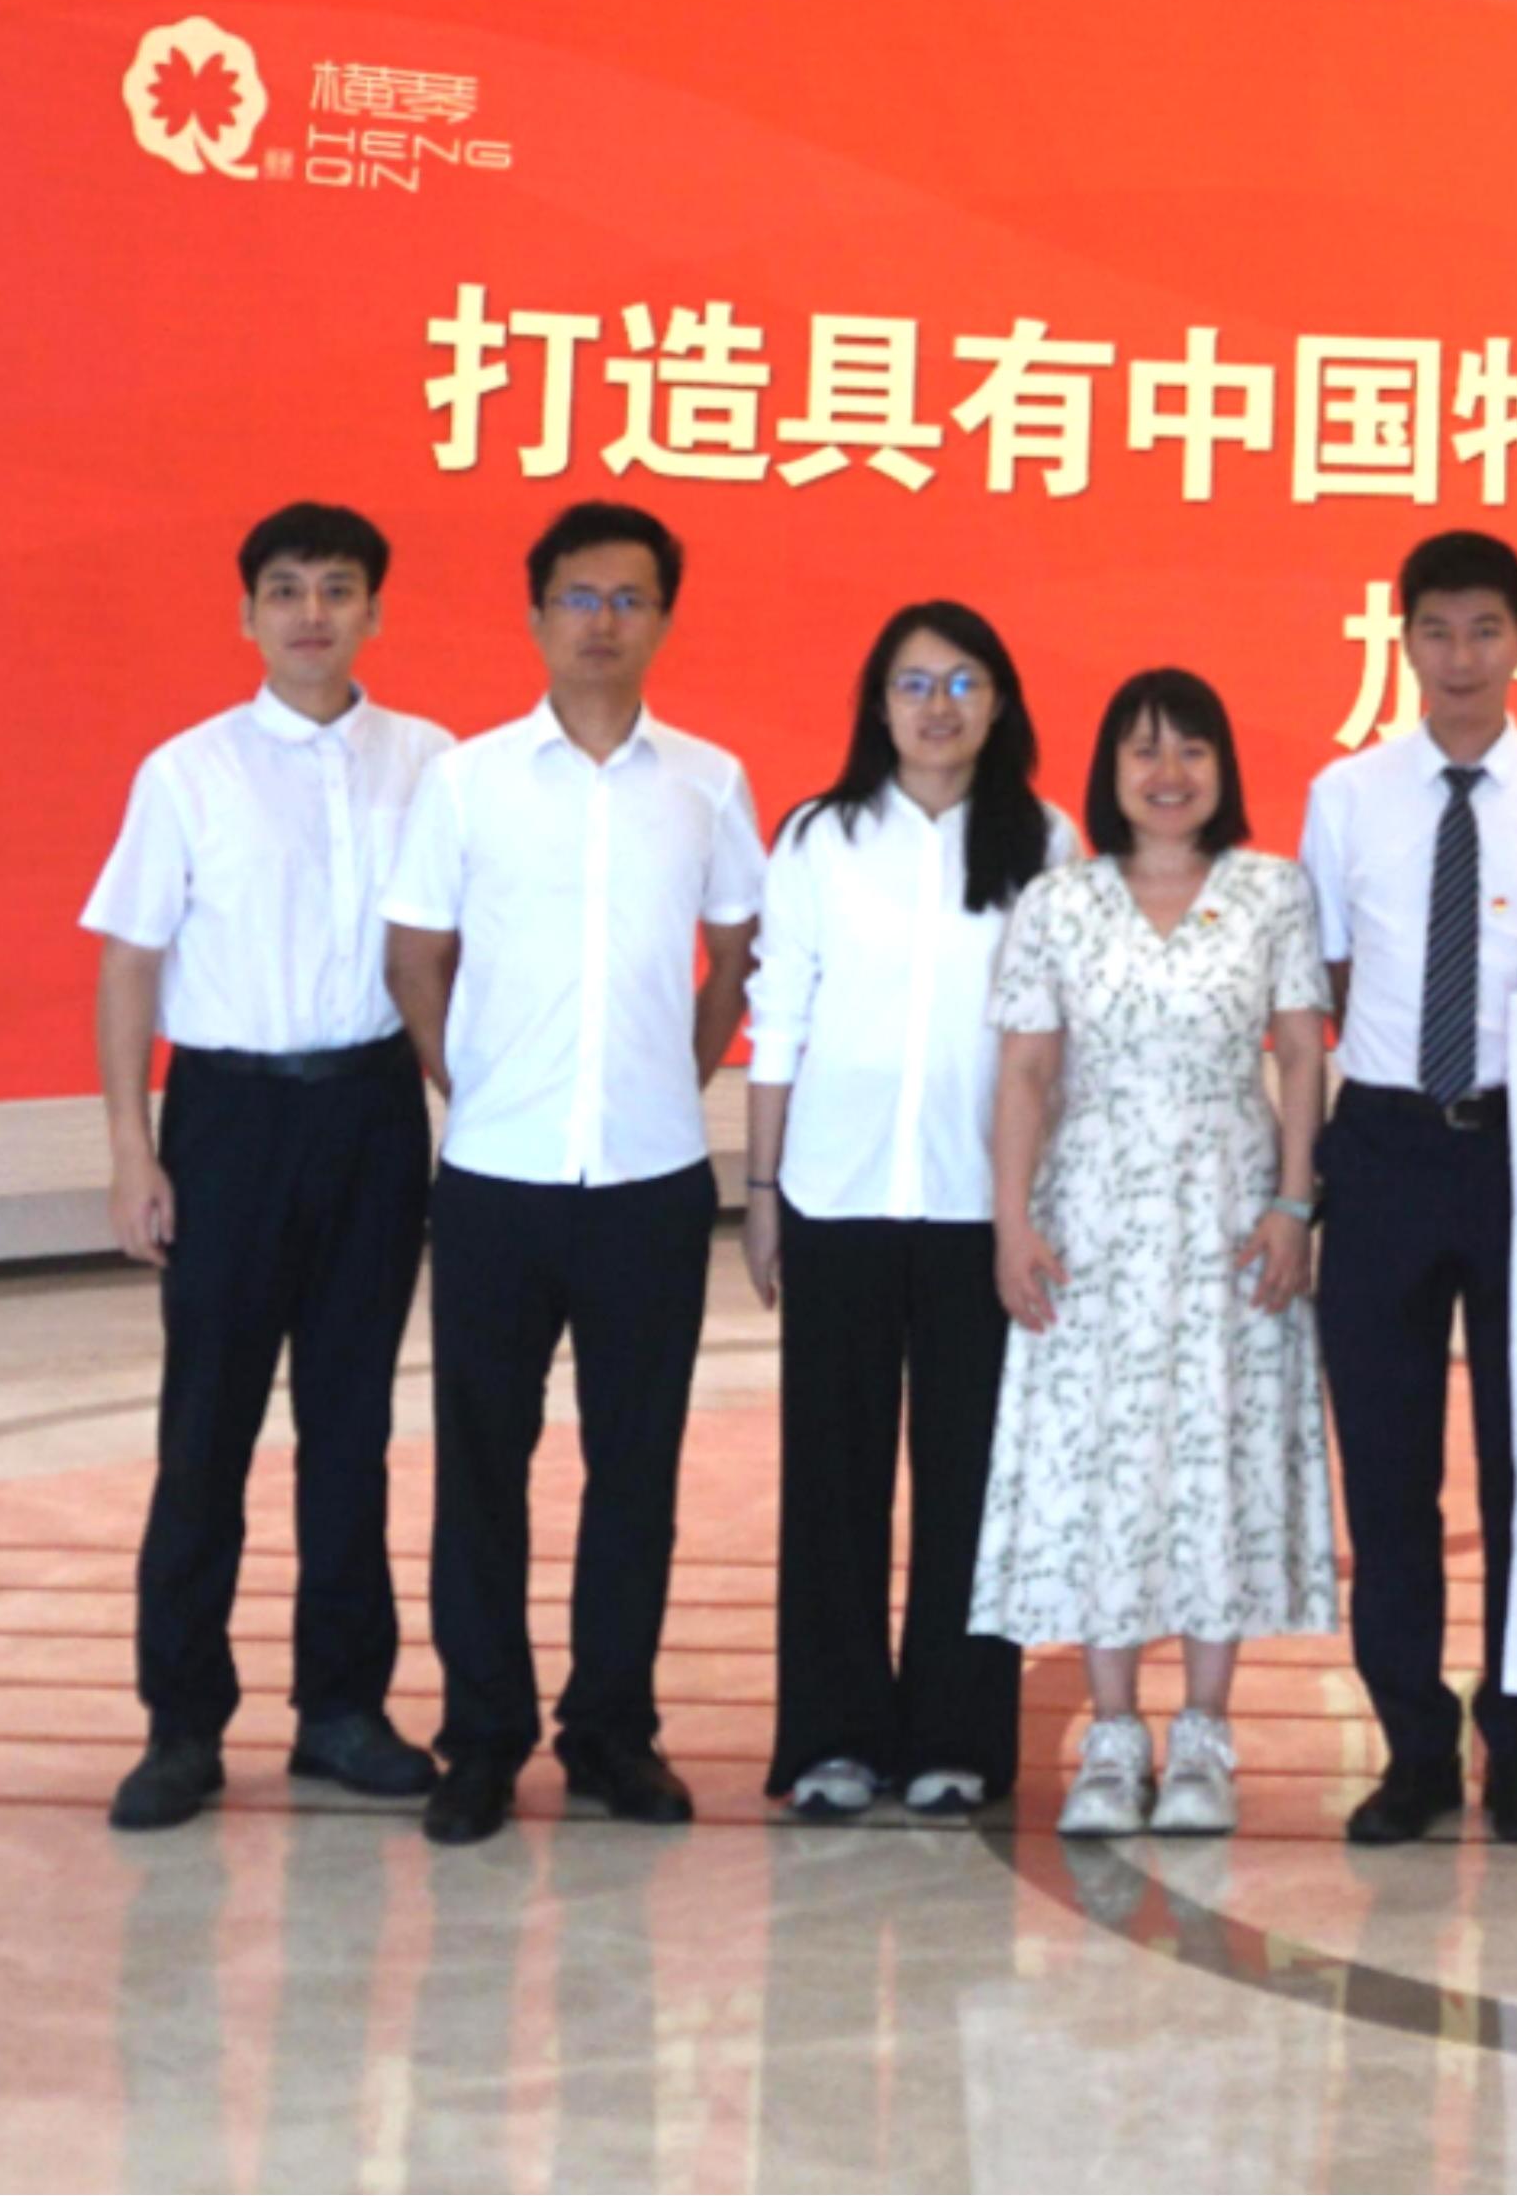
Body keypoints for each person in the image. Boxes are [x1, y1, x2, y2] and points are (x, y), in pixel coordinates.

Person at [379, 500, 766, 1848]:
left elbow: (735, 957)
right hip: (496, 1176)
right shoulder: (467, 779)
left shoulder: (708, 781)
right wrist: (474, 1081)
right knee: (480, 1465)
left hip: (652, 1177)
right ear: (536, 612)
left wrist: (675, 1073)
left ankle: (612, 1730)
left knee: (635, 1468)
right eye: (580, 596)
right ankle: (482, 1736)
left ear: (664, 617)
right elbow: (415, 957)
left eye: (630, 598)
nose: (604, 621)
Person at [89, 503, 451, 1832]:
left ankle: (341, 1709)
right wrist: (132, 1147)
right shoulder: (186, 770)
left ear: (374, 611)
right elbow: (129, 962)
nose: (311, 612)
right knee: (207, 1430)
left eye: (338, 588)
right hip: (229, 1118)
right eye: (286, 588)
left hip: (371, 1108)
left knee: (350, 1429)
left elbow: (456, 948)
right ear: (247, 613)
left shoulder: (432, 761)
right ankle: (181, 1723)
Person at [1298, 528, 1517, 1847]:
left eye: (1485, 628)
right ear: (1404, 641)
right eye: (1436, 630)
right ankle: (1413, 1746)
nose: (1461, 655)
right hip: (1382, 1146)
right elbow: (1327, 975)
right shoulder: (1346, 792)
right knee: (1387, 1471)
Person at [970, 668, 1339, 1841]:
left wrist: (1293, 1203)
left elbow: (1298, 1050)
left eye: (1191, 749)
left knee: (1218, 1449)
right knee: (1108, 1457)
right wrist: (1012, 1220)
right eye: (1143, 750)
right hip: (1091, 1215)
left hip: (1231, 1208)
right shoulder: (1059, 898)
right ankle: (1114, 1735)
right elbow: (1027, 1067)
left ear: (1223, 767)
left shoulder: (1271, 888)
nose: (1167, 772)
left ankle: (1206, 1736)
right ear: (1110, 770)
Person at [743, 601, 1063, 1823]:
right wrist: (761, 1192)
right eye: (914, 682)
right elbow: (781, 1017)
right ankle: (830, 1735)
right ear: (878, 703)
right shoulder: (819, 836)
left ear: (998, 702)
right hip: (836, 1194)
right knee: (832, 1475)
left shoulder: (1042, 837)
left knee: (972, 1478)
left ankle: (955, 1734)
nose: (938, 705)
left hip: (982, 1208)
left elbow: (1054, 1037)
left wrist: (1036, 1208)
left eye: (963, 680)